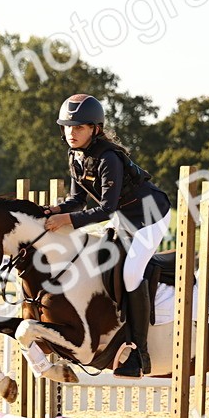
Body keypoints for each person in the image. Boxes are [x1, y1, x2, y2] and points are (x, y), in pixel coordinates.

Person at [42, 93, 171, 377]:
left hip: (150, 215)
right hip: (123, 217)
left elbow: (105, 209)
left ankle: (138, 353)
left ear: (95, 129)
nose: (71, 133)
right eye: (67, 127)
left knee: (130, 274)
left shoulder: (108, 158)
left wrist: (65, 219)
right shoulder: (75, 155)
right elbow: (78, 201)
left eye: (79, 127)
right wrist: (55, 210)